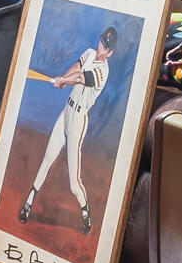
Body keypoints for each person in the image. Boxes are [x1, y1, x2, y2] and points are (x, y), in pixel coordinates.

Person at [19, 23, 119, 229]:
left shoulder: (104, 70)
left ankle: (85, 211)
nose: (101, 47)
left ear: (110, 52)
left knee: (74, 181)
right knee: (47, 158)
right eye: (102, 41)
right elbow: (77, 67)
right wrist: (63, 79)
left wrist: (65, 79)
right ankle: (28, 202)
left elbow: (82, 78)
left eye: (105, 46)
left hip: (78, 120)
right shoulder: (90, 53)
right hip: (66, 112)